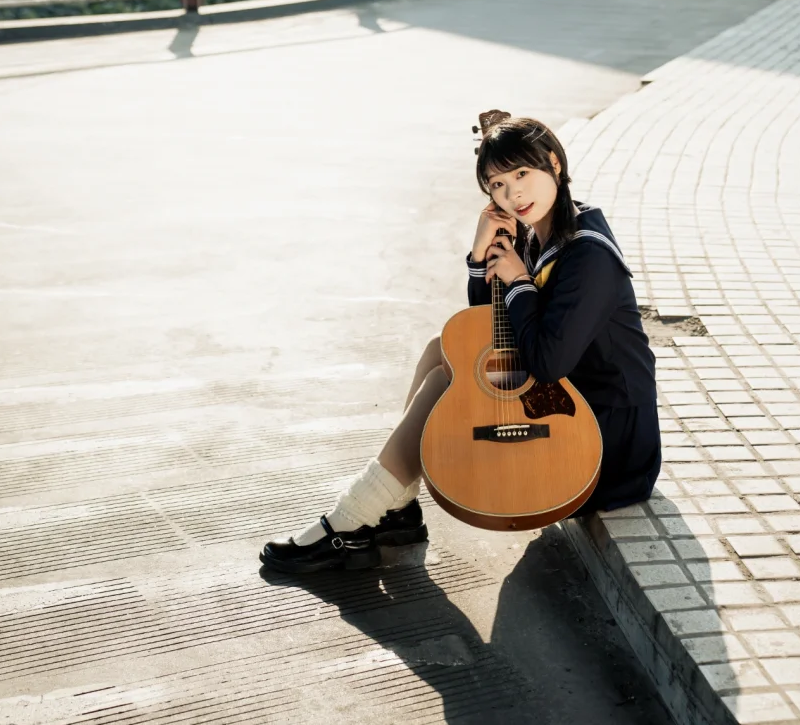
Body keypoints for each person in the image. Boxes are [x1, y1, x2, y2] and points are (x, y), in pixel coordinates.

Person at [261, 112, 660, 576]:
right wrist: (480, 257)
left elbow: (549, 362)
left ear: (553, 162)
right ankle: (397, 507)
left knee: (443, 382)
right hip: (571, 405)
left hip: (607, 443)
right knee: (441, 350)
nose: (513, 194)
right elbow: (486, 327)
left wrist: (518, 283)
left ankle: (352, 519)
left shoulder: (589, 254)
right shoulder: (540, 233)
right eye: (496, 184)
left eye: (522, 174)